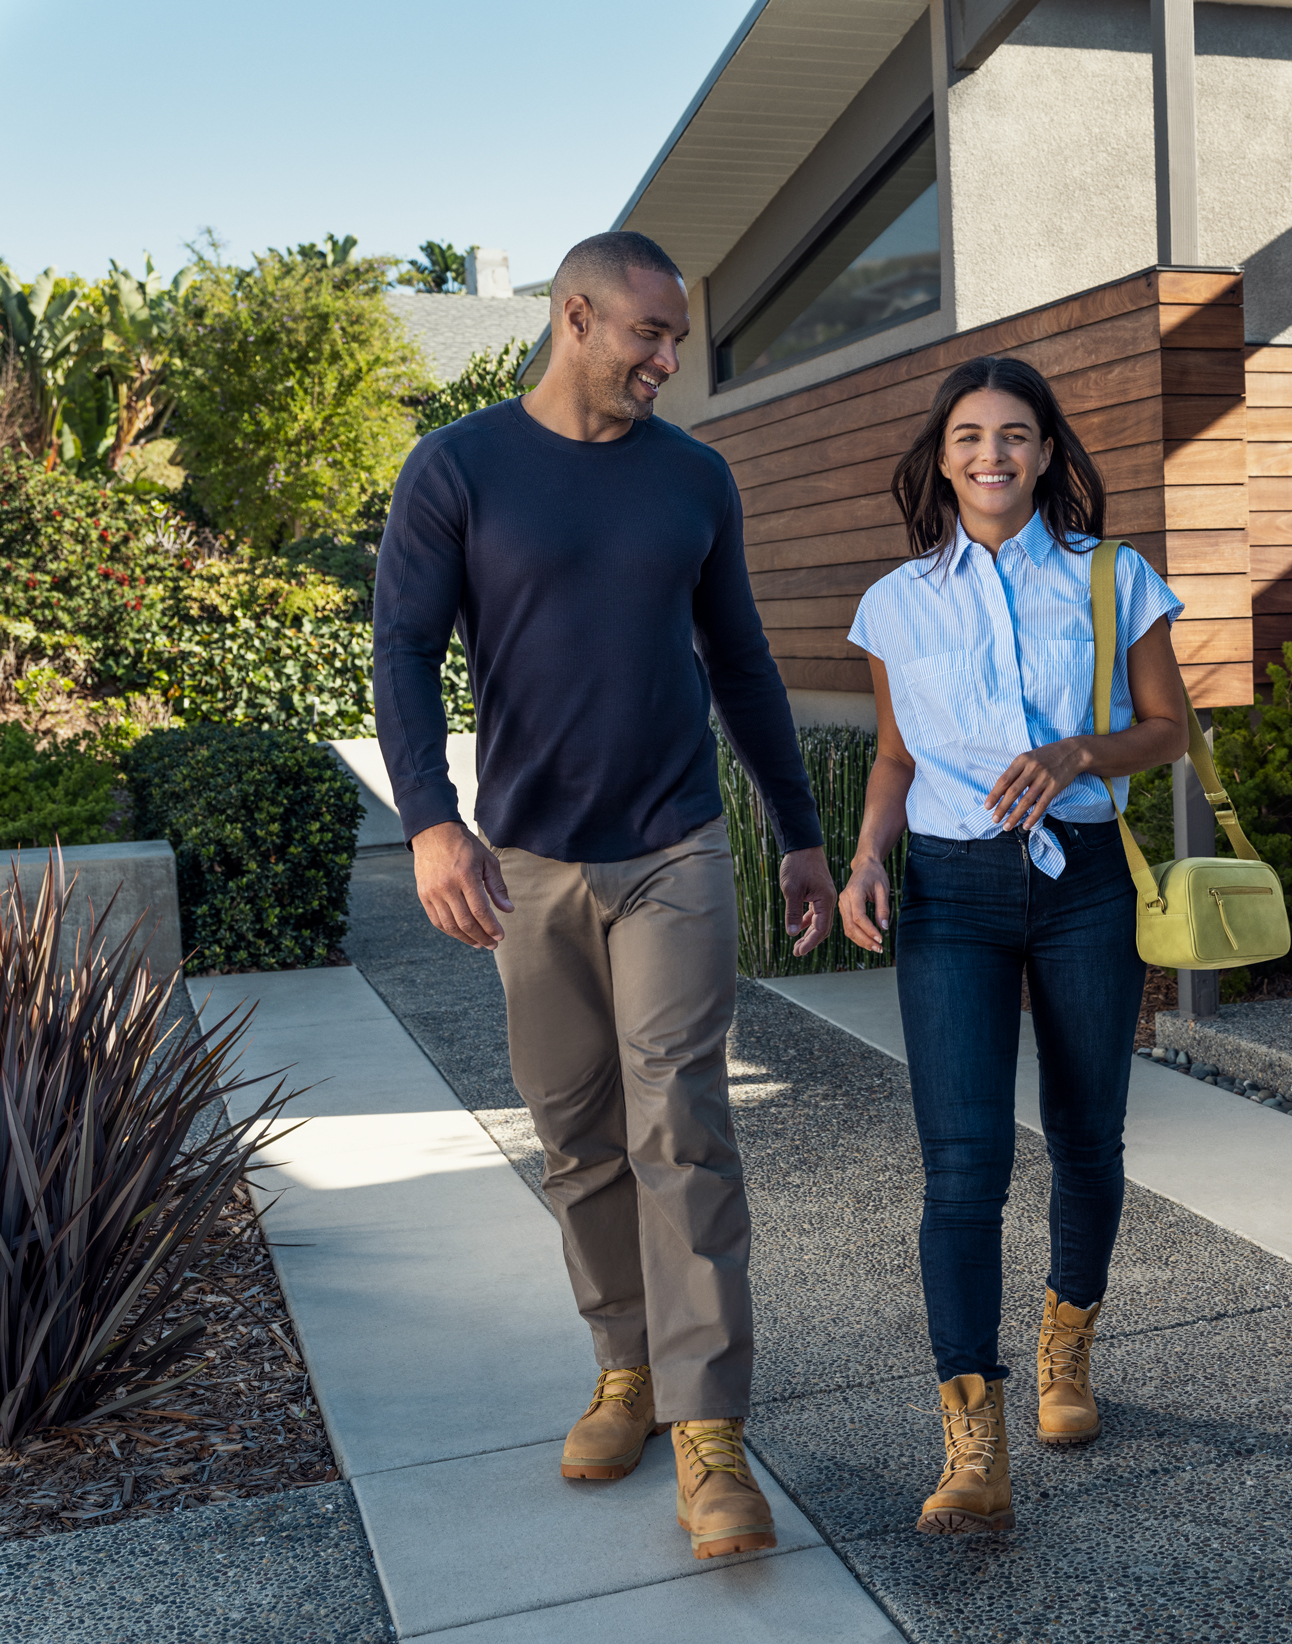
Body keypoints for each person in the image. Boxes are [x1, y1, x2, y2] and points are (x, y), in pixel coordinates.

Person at [372, 230, 837, 1562]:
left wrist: (796, 834)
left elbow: (739, 657)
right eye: (649, 333)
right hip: (526, 863)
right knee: (574, 1130)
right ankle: (625, 1370)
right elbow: (402, 647)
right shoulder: (458, 468)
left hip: (673, 845)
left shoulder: (694, 476)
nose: (669, 360)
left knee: (681, 1124)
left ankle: (708, 1430)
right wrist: (428, 823)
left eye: (677, 338)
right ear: (576, 317)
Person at [838, 355, 1188, 1535]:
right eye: (970, 435)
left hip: (1083, 883)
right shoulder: (895, 604)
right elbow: (893, 758)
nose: (992, 453)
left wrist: (1079, 755)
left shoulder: (1112, 577)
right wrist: (866, 858)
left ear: (1046, 452)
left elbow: (1166, 728)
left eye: (1017, 434)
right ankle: (972, 1442)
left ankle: (1066, 1347)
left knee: (1088, 1138)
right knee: (963, 1167)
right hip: (948, 895)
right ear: (941, 455)